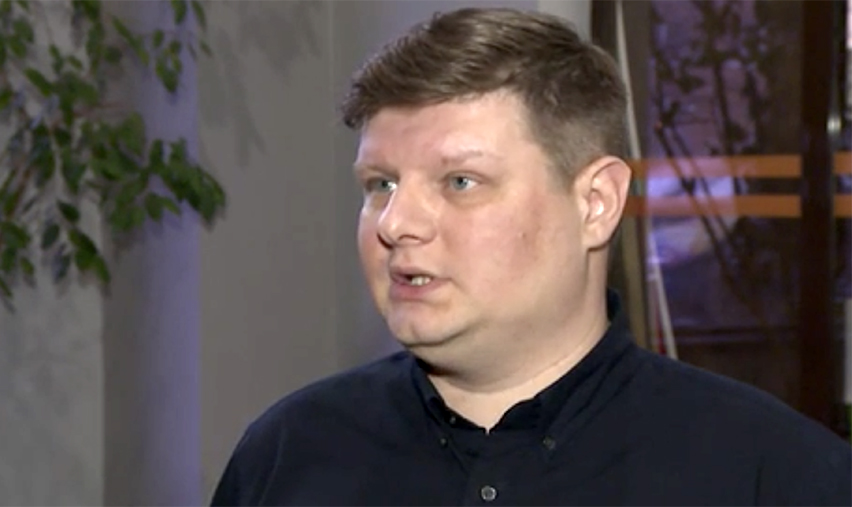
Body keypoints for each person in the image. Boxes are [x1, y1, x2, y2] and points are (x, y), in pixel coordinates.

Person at [211, 7, 852, 506]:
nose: (396, 223)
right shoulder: (288, 455)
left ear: (596, 202)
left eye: (460, 181)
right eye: (380, 184)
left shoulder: (775, 476)